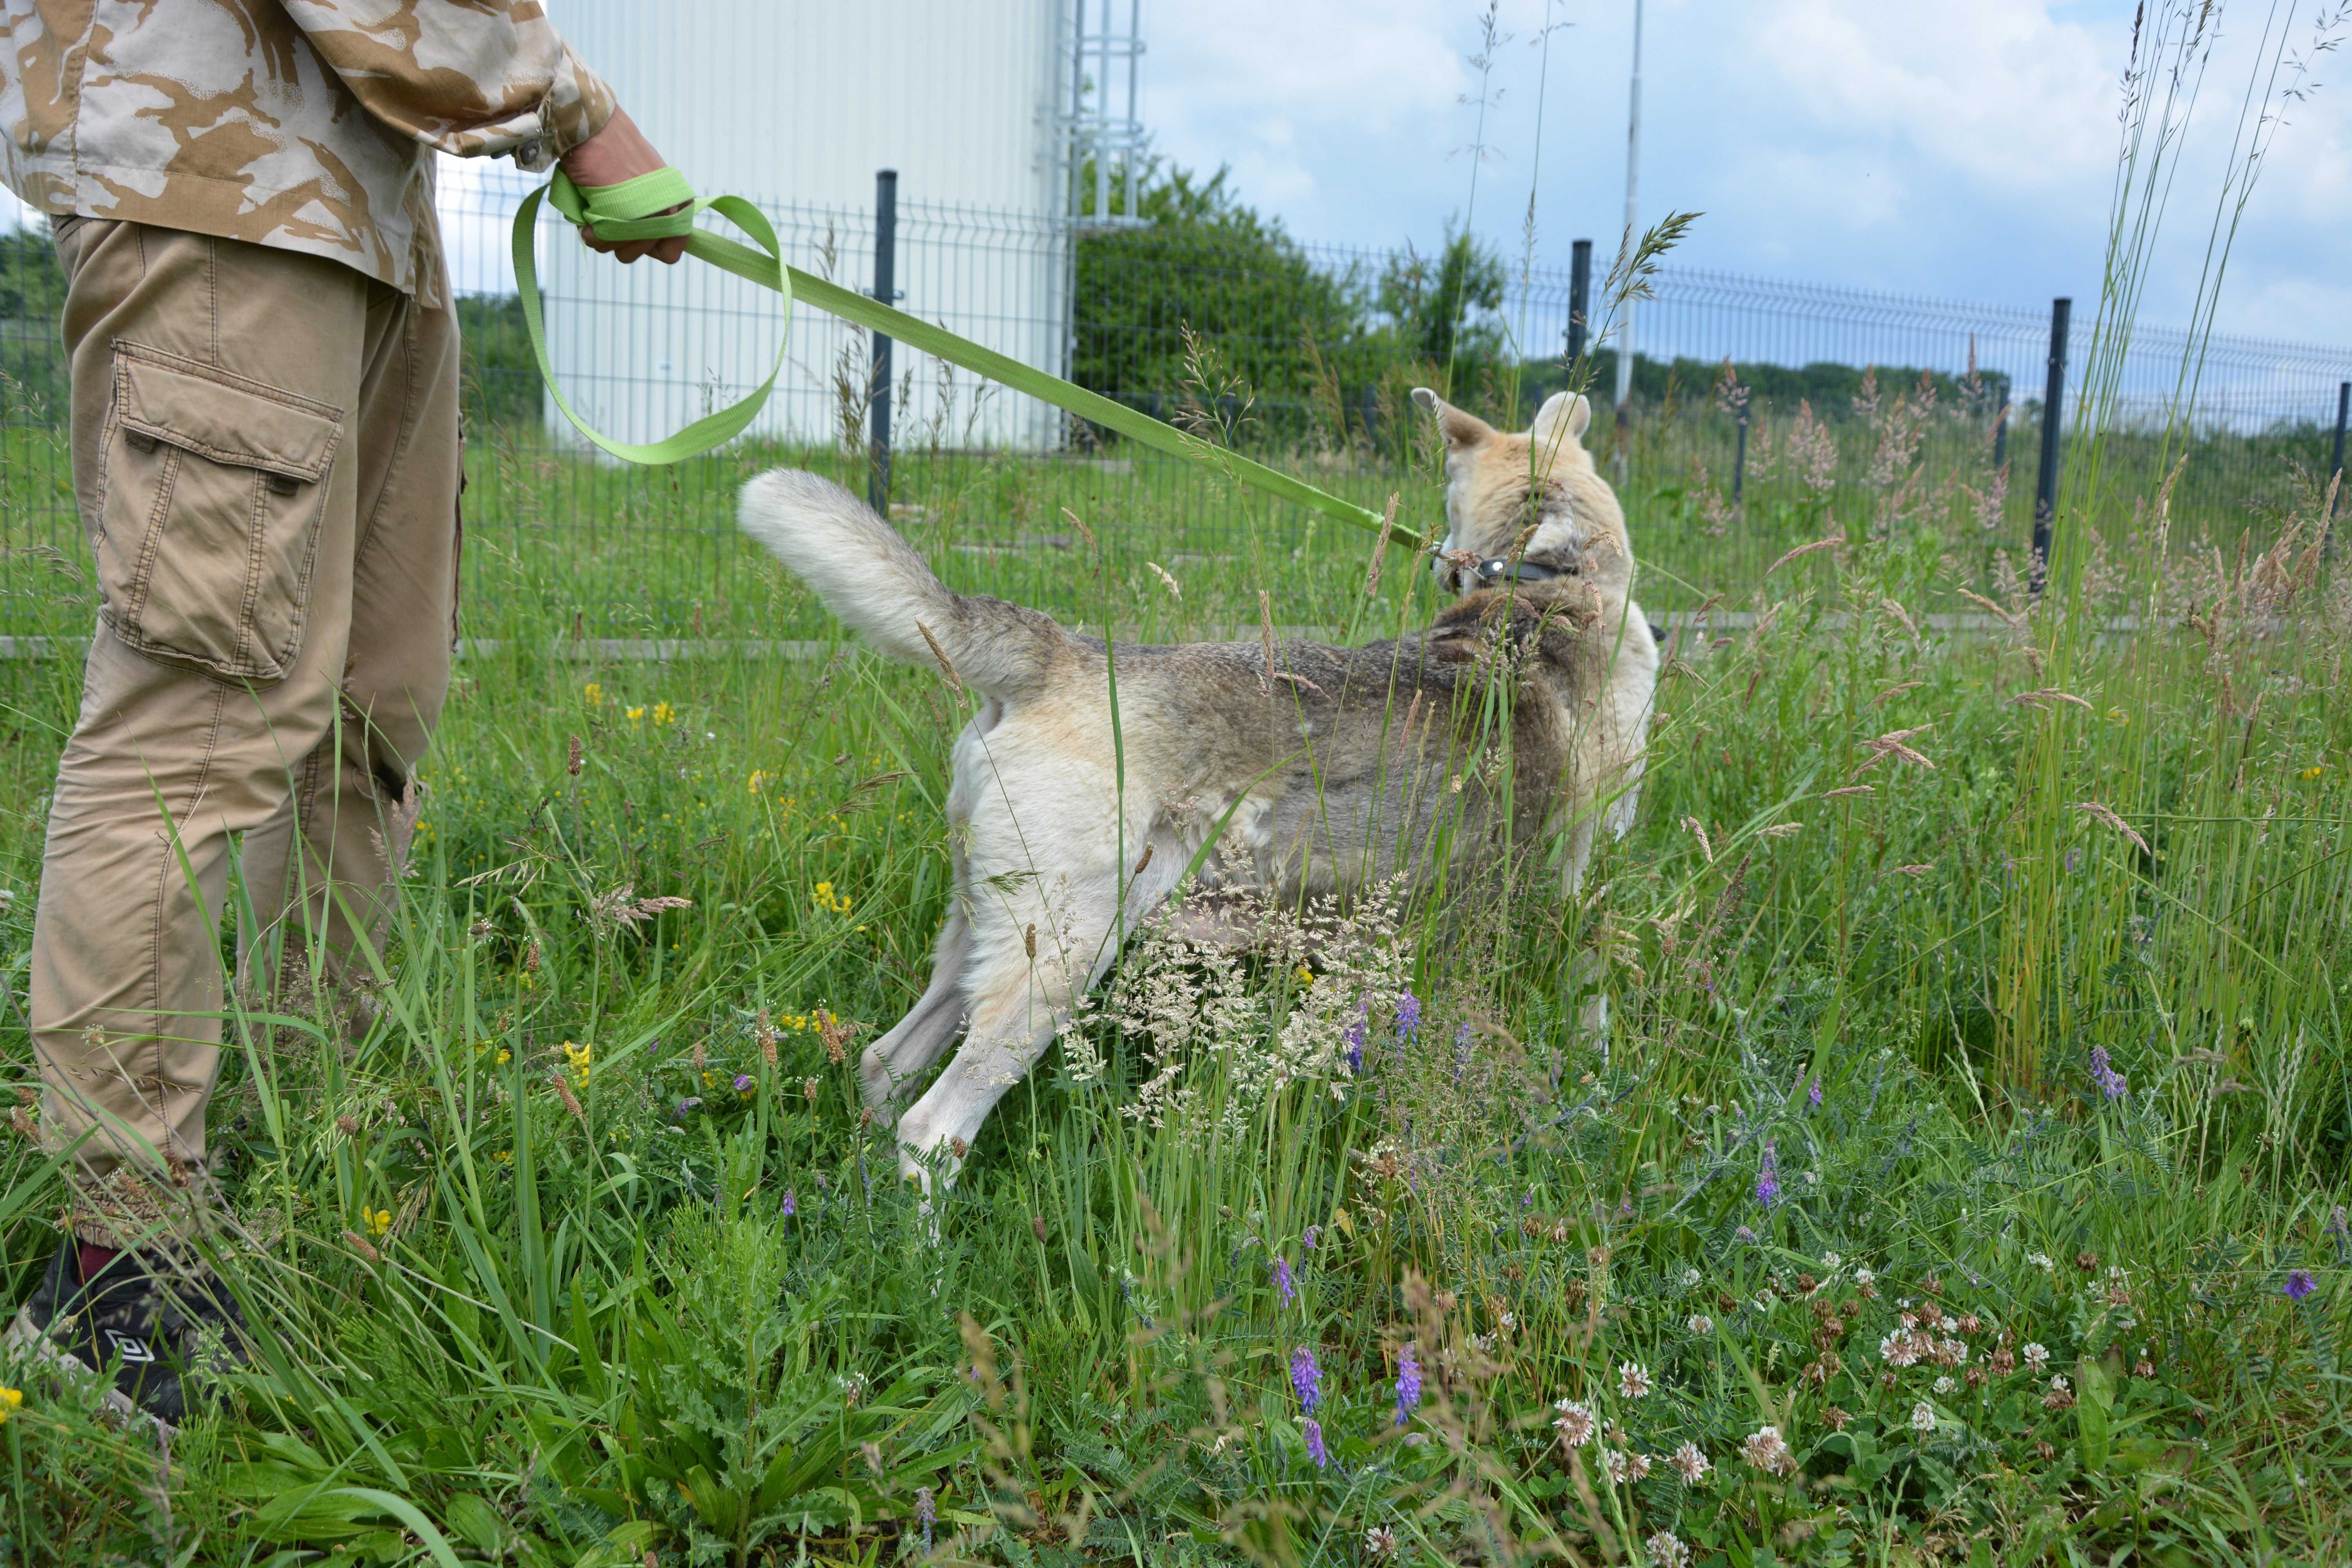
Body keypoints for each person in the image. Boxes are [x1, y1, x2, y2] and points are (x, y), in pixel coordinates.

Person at [0, 2, 680, 1426]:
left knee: (362, 724)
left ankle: (293, 1170)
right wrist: (568, 107)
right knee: (197, 732)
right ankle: (109, 1267)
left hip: (347, 203)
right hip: (220, 181)